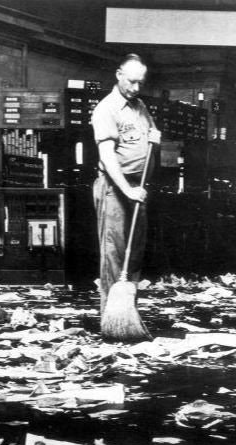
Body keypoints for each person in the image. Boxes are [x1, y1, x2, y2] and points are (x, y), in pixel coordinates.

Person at [91, 53, 161, 315]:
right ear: (119, 75)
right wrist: (127, 189)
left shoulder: (140, 107)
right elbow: (108, 157)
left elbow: (148, 138)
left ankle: (127, 315)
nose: (136, 88)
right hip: (115, 188)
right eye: (131, 82)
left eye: (140, 83)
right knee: (114, 256)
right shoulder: (106, 109)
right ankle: (111, 319)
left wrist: (155, 139)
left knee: (134, 255)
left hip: (137, 189)